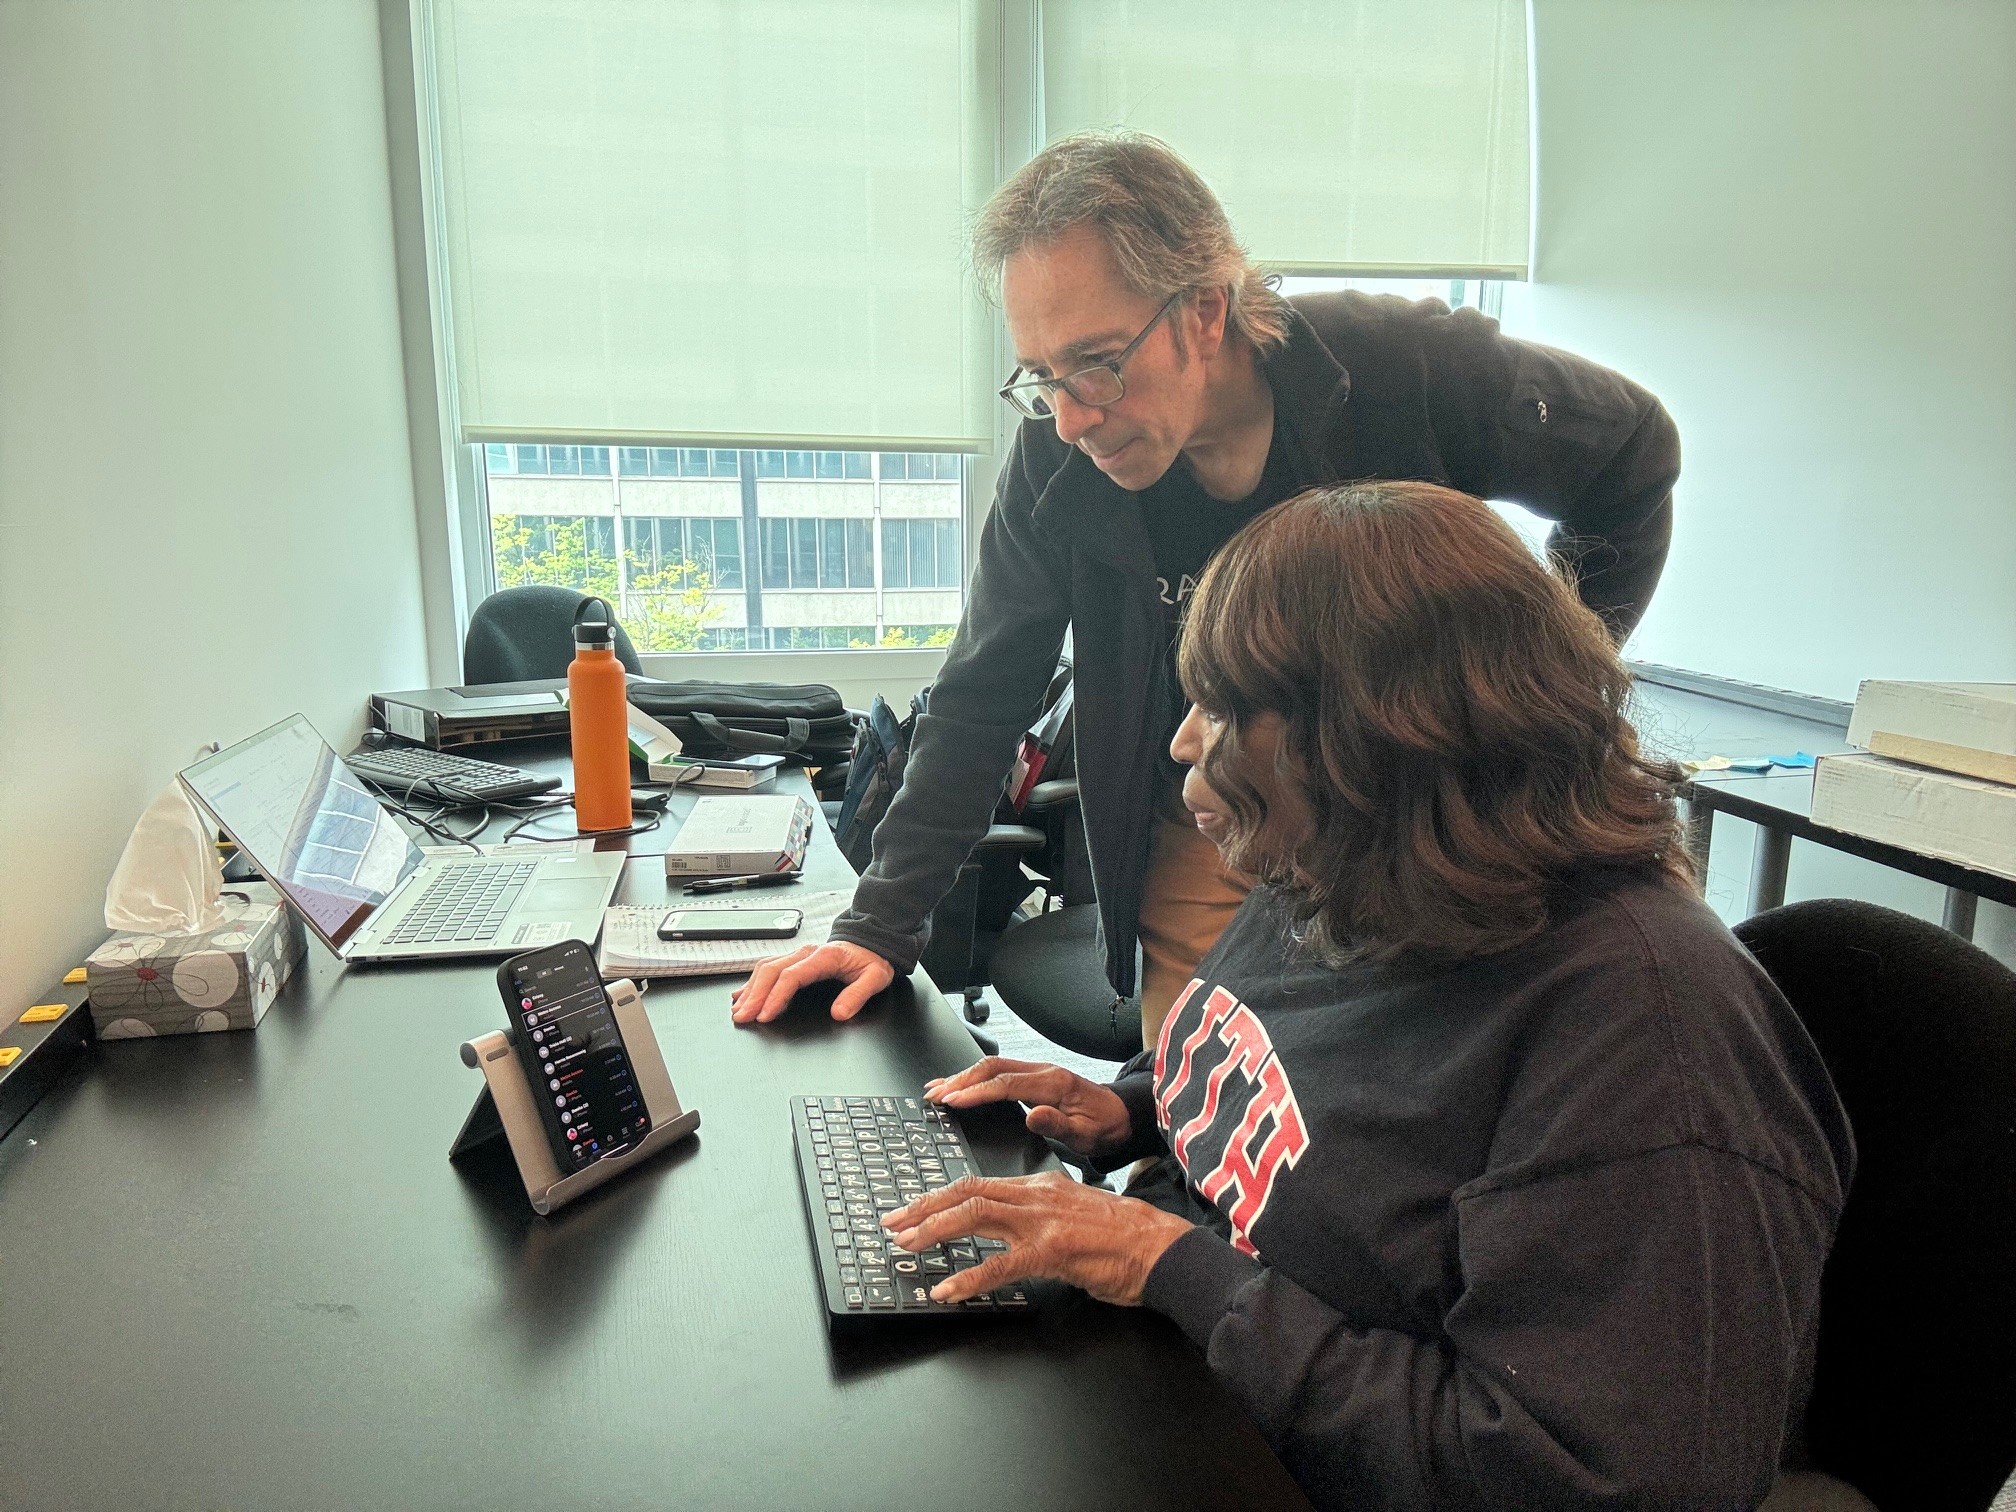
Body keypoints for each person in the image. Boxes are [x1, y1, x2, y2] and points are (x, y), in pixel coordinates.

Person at [876, 482, 1853, 1510]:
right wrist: (1135, 1107)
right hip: (1184, 1392)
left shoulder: (1647, 1045)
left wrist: (1175, 1268)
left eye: (1224, 709)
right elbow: (1289, 1075)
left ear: (1375, 737)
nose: (1181, 742)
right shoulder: (1347, 861)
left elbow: (1572, 1481)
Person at [732, 130, 1681, 1046]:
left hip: (1416, 808)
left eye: (1098, 364)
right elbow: (982, 696)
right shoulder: (1054, 466)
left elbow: (1634, 455)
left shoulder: (1407, 371)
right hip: (1213, 814)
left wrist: (1527, 694)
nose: (1070, 418)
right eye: (1042, 376)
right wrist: (877, 926)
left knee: (1419, 1090)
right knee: (1206, 1116)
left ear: (1204, 312)